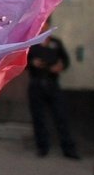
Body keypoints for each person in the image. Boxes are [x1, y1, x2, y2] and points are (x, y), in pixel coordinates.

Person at [27, 27, 80, 159]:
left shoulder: (56, 43)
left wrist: (60, 66)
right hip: (37, 83)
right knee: (39, 118)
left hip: (52, 84)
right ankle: (42, 147)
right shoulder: (33, 43)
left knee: (61, 116)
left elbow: (65, 61)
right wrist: (32, 63)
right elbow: (23, 62)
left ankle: (68, 149)